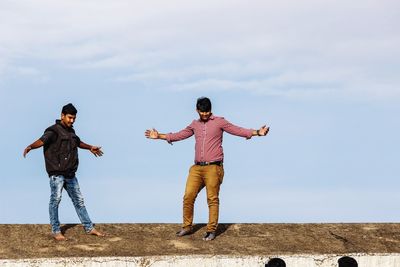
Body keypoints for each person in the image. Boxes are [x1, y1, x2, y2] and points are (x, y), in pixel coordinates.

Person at [145, 97, 269, 241]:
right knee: (188, 196)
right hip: (197, 168)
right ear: (197, 110)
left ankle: (211, 230)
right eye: (202, 112)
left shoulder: (219, 122)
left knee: (212, 199)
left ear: (211, 110)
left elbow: (237, 130)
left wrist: (257, 132)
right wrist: (159, 136)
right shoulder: (194, 124)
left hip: (214, 167)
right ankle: (187, 227)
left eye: (207, 112)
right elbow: (180, 135)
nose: (205, 114)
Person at [23, 103, 105, 241]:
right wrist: (31, 146)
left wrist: (90, 147)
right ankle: (56, 231)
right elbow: (42, 140)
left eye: (74, 118)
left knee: (79, 201)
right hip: (57, 174)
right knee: (55, 200)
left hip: (70, 174)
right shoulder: (53, 131)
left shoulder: (71, 132)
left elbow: (78, 142)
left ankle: (89, 228)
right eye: (69, 117)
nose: (72, 120)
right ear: (62, 116)